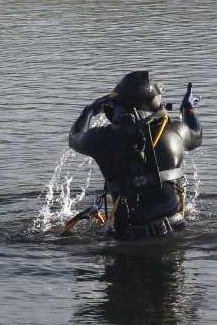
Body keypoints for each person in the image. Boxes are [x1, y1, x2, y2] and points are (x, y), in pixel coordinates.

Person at [69, 72, 202, 240]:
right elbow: (197, 133)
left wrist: (88, 111)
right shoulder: (176, 132)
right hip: (174, 234)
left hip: (126, 239)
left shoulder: (102, 139)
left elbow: (74, 137)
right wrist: (188, 109)